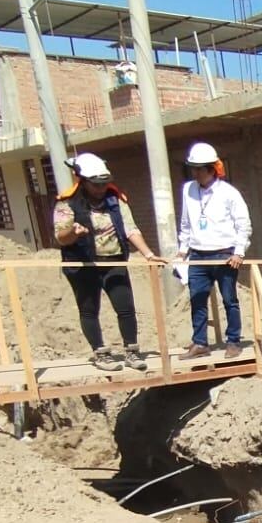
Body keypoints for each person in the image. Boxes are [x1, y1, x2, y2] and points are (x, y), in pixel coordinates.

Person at [53, 152, 162, 373]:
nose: (101, 188)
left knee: (125, 308)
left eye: (104, 183)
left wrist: (148, 254)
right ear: (82, 181)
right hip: (83, 264)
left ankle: (132, 351)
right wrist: (74, 233)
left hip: (113, 261)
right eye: (95, 185)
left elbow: (130, 229)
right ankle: (100, 352)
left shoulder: (116, 201)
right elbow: (60, 237)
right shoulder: (67, 204)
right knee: (89, 309)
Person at [178, 141, 253, 359]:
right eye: (194, 168)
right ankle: (200, 343)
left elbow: (243, 223)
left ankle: (233, 341)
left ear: (212, 169)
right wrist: (183, 249)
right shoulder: (188, 190)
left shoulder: (229, 193)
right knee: (198, 299)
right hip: (198, 254)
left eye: (200, 169)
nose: (196, 173)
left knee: (229, 299)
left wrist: (239, 251)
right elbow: (186, 222)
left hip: (224, 254)